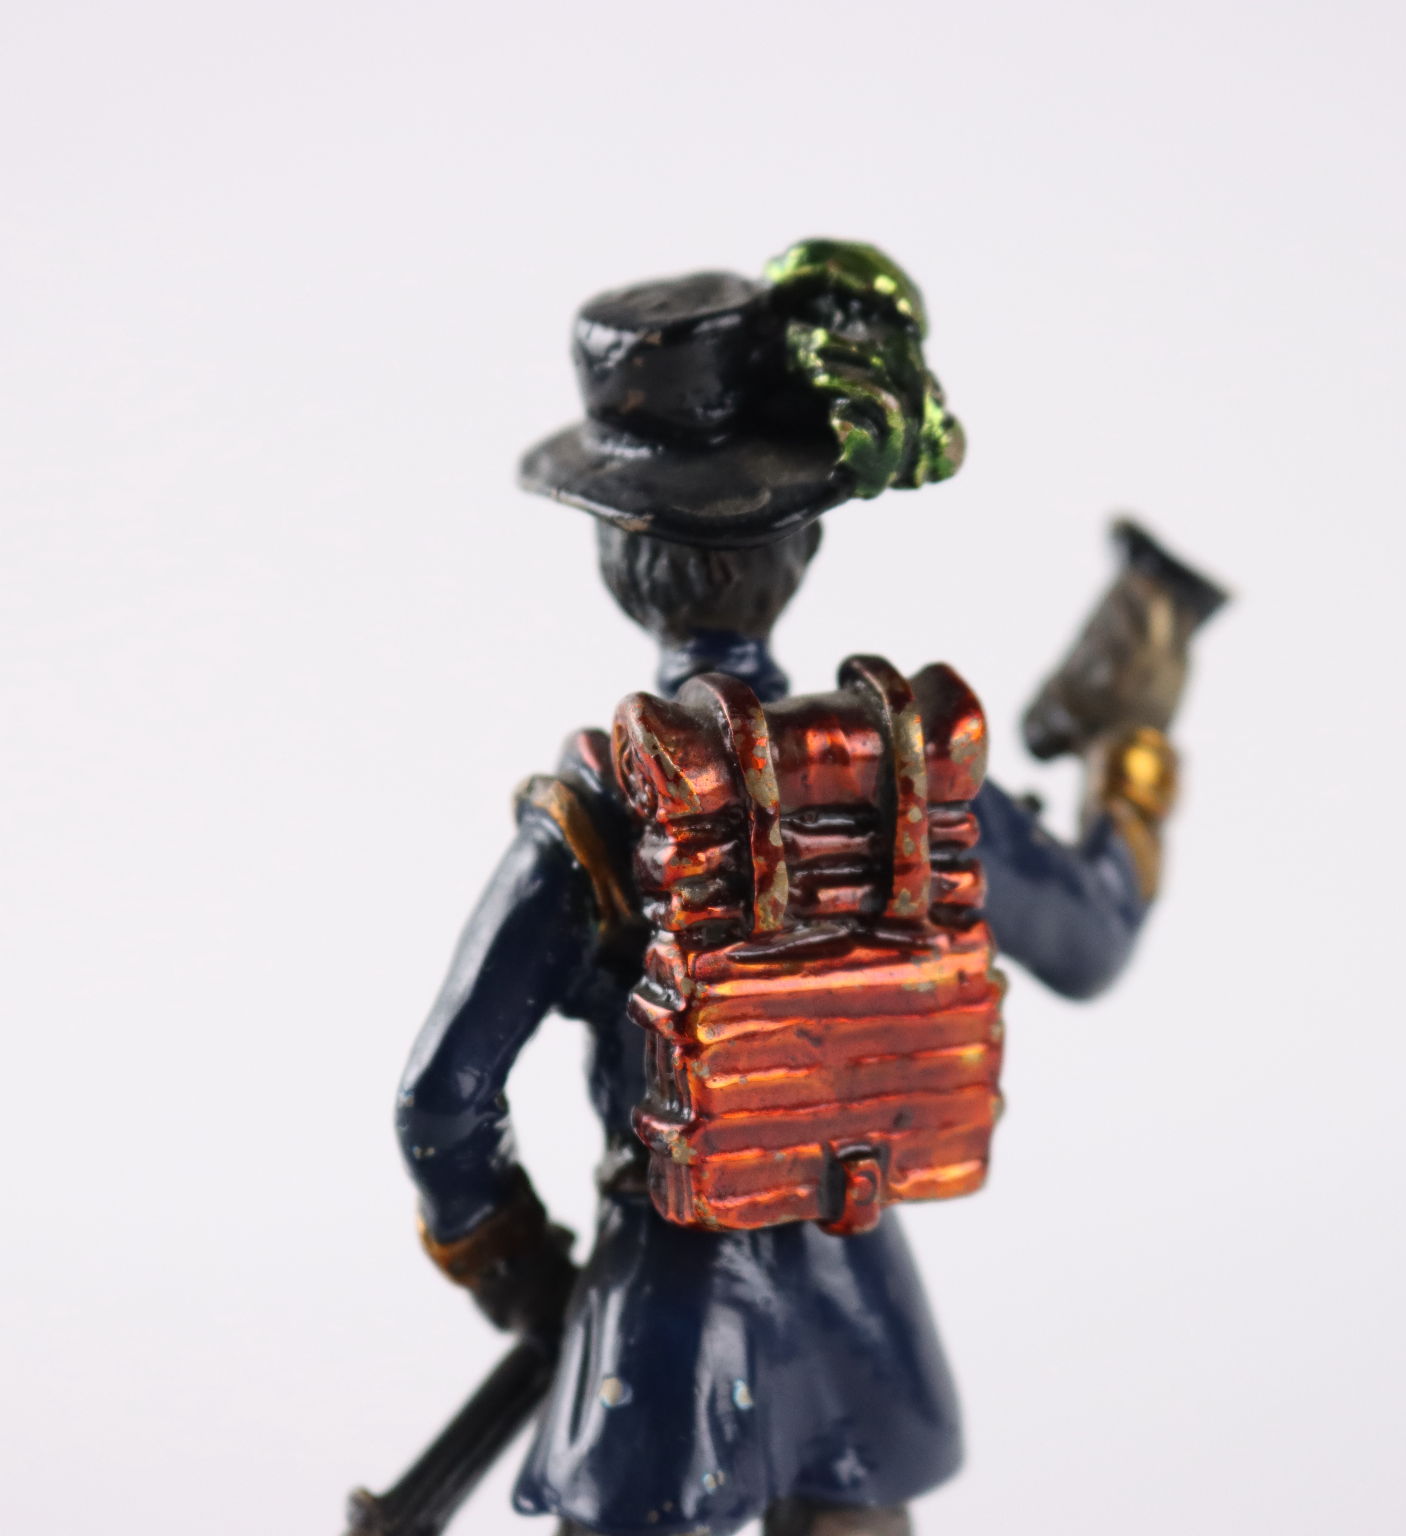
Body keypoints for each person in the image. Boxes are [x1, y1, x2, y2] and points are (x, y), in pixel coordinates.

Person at [395, 241, 1199, 1536]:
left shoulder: (600, 817)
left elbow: (442, 1101)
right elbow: (1094, 939)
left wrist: (526, 1278)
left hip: (656, 1330)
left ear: (617, 555)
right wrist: (1135, 754)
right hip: (853, 1304)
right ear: (808, 544)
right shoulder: (914, 774)